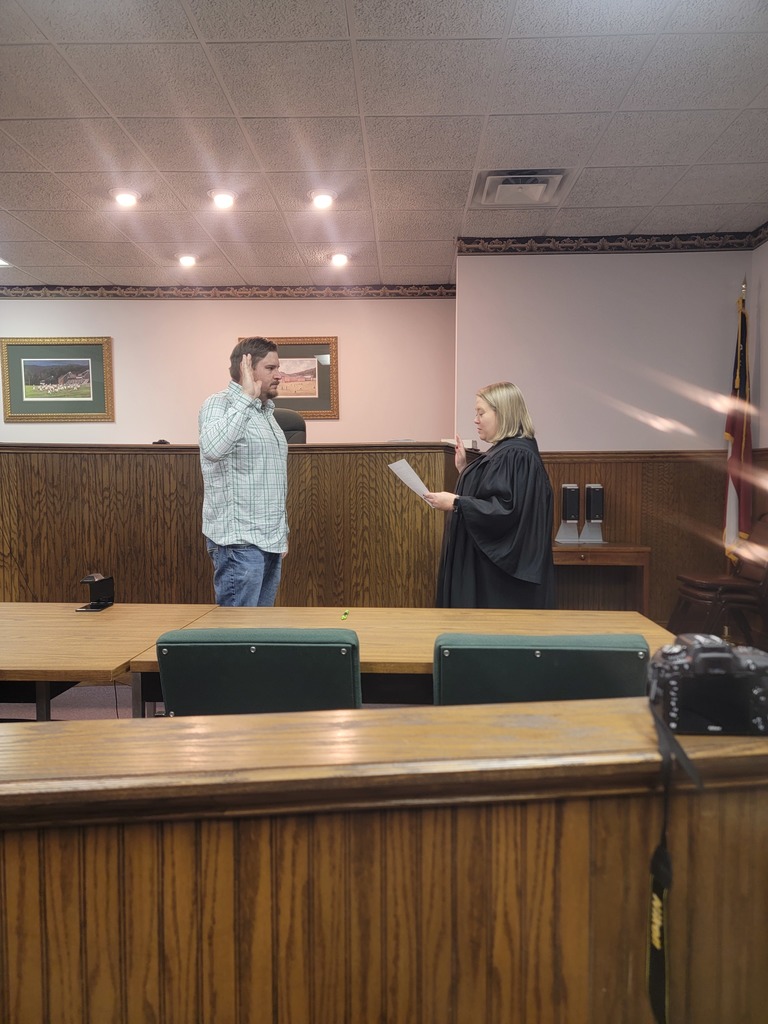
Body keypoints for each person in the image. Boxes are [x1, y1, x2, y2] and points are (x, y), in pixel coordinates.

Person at [424, 381, 555, 609]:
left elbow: (505, 512)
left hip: (497, 582)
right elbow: (493, 493)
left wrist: (456, 502)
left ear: (502, 414)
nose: (476, 419)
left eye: (481, 412)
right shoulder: (506, 451)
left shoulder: (516, 455)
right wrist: (464, 469)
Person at [199, 337, 288, 606]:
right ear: (246, 368)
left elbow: (273, 479)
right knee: (238, 635)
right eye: (271, 368)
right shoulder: (220, 403)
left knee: (259, 634)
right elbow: (212, 448)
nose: (278, 375)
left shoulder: (266, 413)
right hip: (239, 543)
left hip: (269, 541)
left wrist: (281, 534)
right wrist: (246, 398)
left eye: (277, 368)